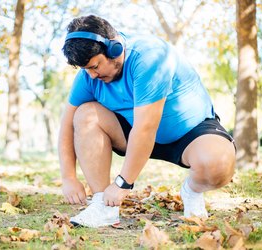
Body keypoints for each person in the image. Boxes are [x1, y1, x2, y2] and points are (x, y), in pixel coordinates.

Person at [58, 15, 236, 228]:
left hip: (189, 133)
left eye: (95, 66)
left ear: (113, 48)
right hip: (132, 133)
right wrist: (68, 177)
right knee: (85, 115)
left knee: (218, 165)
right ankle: (103, 206)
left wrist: (123, 183)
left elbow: (146, 127)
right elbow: (67, 125)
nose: (92, 75)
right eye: (86, 69)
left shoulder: (150, 57)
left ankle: (192, 192)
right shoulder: (88, 77)